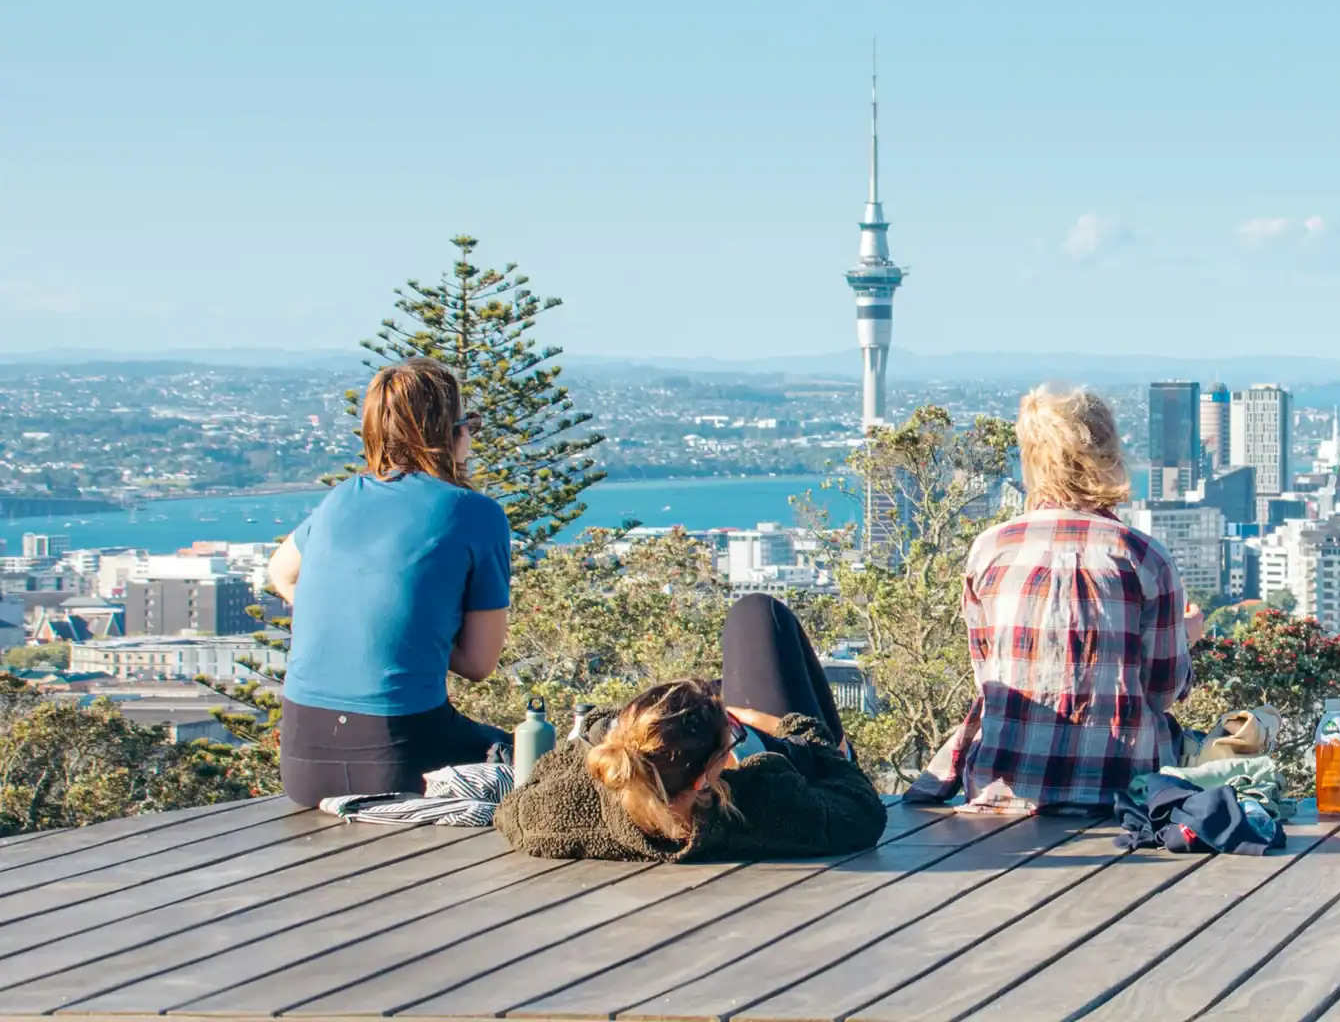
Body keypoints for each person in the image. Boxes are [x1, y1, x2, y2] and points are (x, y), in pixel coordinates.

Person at [906, 385, 1200, 813]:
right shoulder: (1143, 557)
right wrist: (1187, 636)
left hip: (1002, 789)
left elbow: (990, 675)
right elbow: (1161, 691)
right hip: (1122, 792)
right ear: (1108, 454)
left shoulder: (991, 550)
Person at [268, 357, 514, 808]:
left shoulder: (341, 497)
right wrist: (417, 633)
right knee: (534, 758)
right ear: (451, 433)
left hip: (301, 766)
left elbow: (280, 572)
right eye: (470, 426)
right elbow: (479, 664)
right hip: (398, 759)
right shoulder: (474, 513)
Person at [495, 594, 886, 861]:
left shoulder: (556, 816)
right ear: (706, 779)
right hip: (811, 767)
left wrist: (596, 734)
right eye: (732, 735)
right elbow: (863, 809)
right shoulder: (767, 804)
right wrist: (790, 731)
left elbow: (515, 806)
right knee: (758, 613)